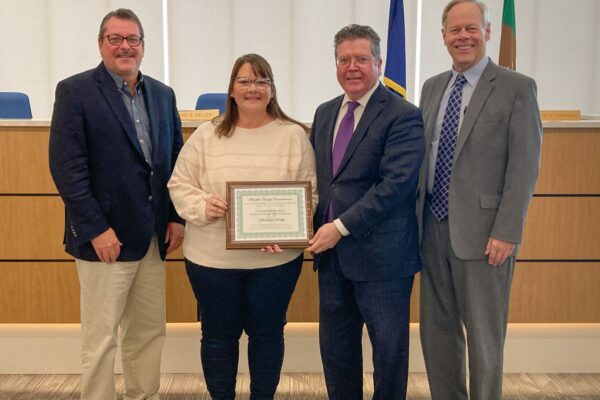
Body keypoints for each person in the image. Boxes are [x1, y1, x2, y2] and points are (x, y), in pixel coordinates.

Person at [48, 8, 184, 400]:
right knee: (101, 338)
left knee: (147, 333)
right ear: (101, 44)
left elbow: (175, 159)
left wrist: (175, 217)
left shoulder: (162, 94)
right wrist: (95, 229)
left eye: (133, 39)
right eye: (115, 39)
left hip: (153, 238)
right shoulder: (75, 92)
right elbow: (67, 169)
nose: (125, 46)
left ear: (143, 46)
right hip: (103, 240)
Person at [167, 53, 317, 400]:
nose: (253, 88)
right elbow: (179, 185)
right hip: (211, 262)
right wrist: (204, 205)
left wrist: (285, 230)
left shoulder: (293, 136)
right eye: (244, 81)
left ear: (271, 89)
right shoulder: (207, 135)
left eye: (261, 81)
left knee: (267, 336)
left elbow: (311, 194)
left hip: (275, 263)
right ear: (231, 90)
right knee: (218, 337)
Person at [417, 1, 542, 399]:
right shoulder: (432, 87)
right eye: (454, 30)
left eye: (471, 28)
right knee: (437, 333)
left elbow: (524, 167)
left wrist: (507, 231)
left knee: (485, 339)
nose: (463, 37)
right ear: (443, 37)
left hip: (486, 235)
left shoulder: (516, 87)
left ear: (488, 32)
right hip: (432, 230)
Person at [306, 24, 425, 400]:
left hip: (383, 261)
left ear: (378, 62)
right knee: (337, 354)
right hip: (333, 261)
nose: (352, 67)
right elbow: (322, 183)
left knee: (388, 356)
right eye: (344, 59)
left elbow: (395, 185)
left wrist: (339, 227)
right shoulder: (325, 113)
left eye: (361, 59)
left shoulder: (402, 114)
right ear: (335, 64)